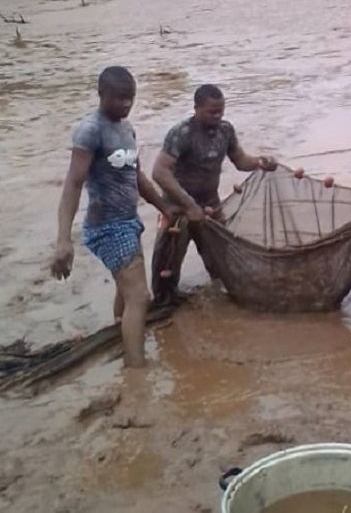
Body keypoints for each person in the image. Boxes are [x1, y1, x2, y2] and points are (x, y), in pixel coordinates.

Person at [51, 66, 173, 368]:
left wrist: (165, 207)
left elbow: (138, 176)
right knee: (140, 296)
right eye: (119, 99)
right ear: (101, 94)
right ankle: (137, 371)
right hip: (105, 226)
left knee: (126, 289)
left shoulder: (127, 128)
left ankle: (122, 334)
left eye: (130, 98)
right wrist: (64, 240)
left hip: (128, 222)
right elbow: (73, 184)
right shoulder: (90, 130)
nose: (126, 104)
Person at [150, 84, 278, 306]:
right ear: (196, 109)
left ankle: (220, 302)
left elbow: (240, 160)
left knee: (220, 262)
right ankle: (166, 304)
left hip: (210, 206)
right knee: (167, 268)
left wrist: (259, 162)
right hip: (179, 209)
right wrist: (189, 205)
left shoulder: (225, 131)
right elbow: (159, 172)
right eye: (212, 112)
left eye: (221, 111)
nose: (217, 116)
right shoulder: (182, 133)